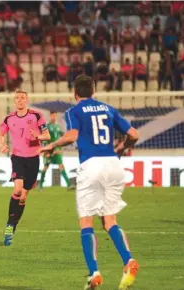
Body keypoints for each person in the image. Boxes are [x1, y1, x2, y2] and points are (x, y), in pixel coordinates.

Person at [38, 75, 139, 290]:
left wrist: (52, 146)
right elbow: (134, 134)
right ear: (94, 91)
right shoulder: (108, 109)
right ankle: (128, 260)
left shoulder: (73, 111)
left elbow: (73, 135)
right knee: (110, 220)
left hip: (91, 165)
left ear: (75, 93)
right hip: (113, 164)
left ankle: (94, 273)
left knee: (86, 222)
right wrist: (122, 147)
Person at [0, 90, 50, 246]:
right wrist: (2, 144)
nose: (20, 100)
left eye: (22, 98)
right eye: (17, 98)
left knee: (23, 197)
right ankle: (9, 224)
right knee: (17, 190)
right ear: (14, 101)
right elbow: (0, 133)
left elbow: (47, 136)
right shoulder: (9, 118)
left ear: (27, 100)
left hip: (33, 158)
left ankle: (13, 226)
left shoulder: (37, 116)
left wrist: (38, 136)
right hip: (18, 157)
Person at [38, 111, 73, 190]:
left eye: (55, 116)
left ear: (56, 116)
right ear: (50, 116)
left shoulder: (57, 126)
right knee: (45, 167)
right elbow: (44, 139)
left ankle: (69, 185)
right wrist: (46, 151)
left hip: (57, 150)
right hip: (49, 150)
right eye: (52, 116)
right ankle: (40, 185)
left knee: (61, 165)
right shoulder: (46, 126)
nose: (53, 117)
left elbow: (60, 138)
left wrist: (60, 148)